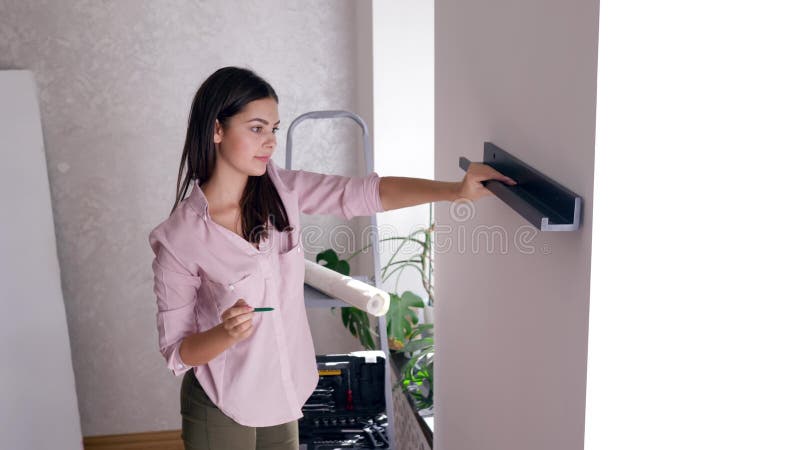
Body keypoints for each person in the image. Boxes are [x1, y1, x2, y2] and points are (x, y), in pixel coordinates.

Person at [147, 65, 517, 450]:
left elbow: (364, 194)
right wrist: (224, 333)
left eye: (274, 129)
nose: (270, 142)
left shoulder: (281, 190)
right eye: (256, 128)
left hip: (284, 392)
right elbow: (179, 351)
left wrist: (456, 191)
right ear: (217, 130)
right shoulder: (180, 238)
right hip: (221, 400)